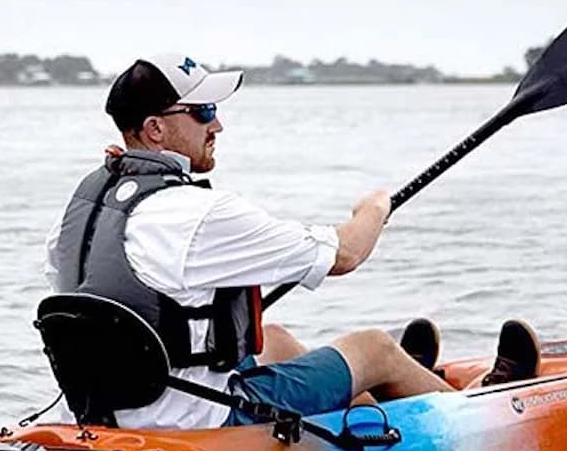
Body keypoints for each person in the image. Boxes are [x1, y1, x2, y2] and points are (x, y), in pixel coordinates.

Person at [44, 53, 540, 430]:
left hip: (111, 411)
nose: (218, 124)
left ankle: (391, 400)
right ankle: (478, 412)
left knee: (274, 338)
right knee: (373, 348)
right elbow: (345, 254)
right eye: (204, 112)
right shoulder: (195, 212)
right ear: (155, 129)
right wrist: (373, 211)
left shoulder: (81, 207)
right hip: (193, 420)